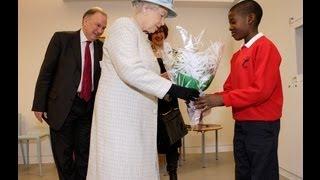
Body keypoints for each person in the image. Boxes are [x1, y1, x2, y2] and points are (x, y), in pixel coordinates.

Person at [86, 0, 199, 179]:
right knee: (121, 170)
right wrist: (173, 89)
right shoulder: (124, 26)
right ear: (146, 7)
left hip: (136, 122)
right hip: (121, 123)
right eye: (162, 15)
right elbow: (130, 70)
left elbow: (144, 76)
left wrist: (180, 82)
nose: (162, 22)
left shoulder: (141, 36)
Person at [194, 0, 283, 179]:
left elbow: (261, 91)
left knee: (262, 173)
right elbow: (229, 89)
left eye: (233, 21)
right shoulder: (237, 56)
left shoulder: (266, 47)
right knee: (242, 171)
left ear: (250, 18)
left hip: (262, 125)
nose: (230, 27)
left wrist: (221, 99)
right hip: (242, 124)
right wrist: (207, 100)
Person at [31, 7, 107, 180]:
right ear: (85, 21)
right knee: (63, 157)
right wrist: (39, 104)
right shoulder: (62, 39)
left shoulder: (102, 47)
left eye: (103, 27)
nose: (100, 30)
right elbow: (46, 73)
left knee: (84, 156)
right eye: (98, 25)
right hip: (62, 107)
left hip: (87, 108)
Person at [149, 24, 184, 180]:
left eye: (161, 31)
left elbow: (180, 74)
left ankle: (173, 174)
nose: (158, 34)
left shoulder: (172, 52)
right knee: (152, 140)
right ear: (150, 34)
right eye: (155, 32)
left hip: (170, 101)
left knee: (173, 140)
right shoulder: (145, 52)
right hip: (152, 102)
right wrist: (159, 78)